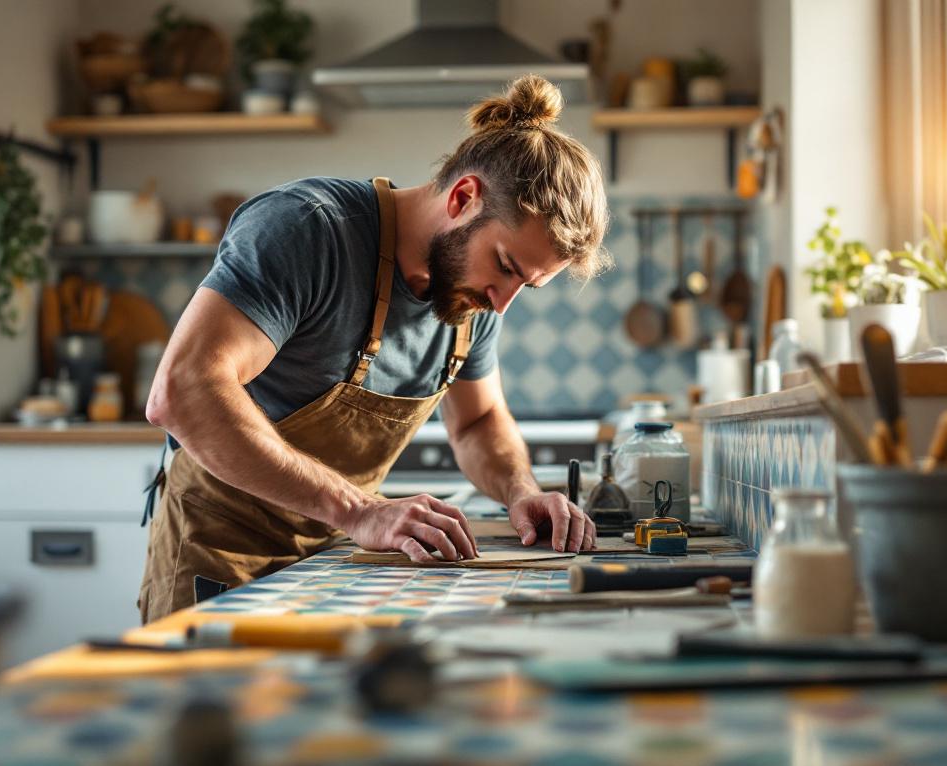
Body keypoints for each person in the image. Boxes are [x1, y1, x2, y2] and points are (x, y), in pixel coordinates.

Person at [138, 74, 611, 621]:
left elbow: (478, 423)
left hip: (336, 561)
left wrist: (520, 492)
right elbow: (183, 390)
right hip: (219, 557)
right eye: (505, 266)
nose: (502, 304)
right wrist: (359, 510)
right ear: (463, 198)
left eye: (524, 286)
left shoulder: (471, 300)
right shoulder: (308, 231)